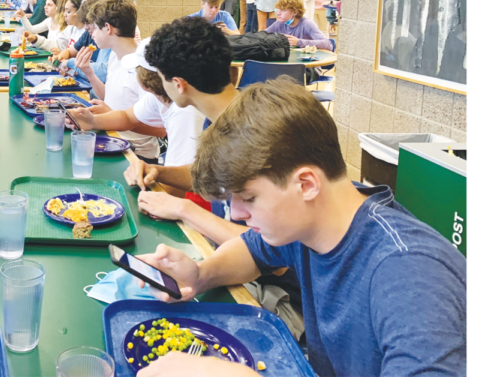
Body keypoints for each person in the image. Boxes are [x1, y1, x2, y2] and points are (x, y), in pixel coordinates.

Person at [131, 78, 466, 377]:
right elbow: (252, 251)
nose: (235, 214)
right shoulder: (314, 221)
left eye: (248, 197)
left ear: (306, 184)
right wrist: (201, 275)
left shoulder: (409, 274)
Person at [131, 17, 305, 334]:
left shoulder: (255, 136)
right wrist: (161, 172)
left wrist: (184, 208)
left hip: (276, 298)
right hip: (231, 268)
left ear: (178, 84)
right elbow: (210, 178)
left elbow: (273, 252)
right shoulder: (225, 116)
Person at [70, 39, 204, 169]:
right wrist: (92, 121)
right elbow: (128, 117)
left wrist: (153, 176)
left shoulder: (185, 113)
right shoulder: (156, 97)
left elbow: (185, 179)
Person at [74, 0, 160, 161]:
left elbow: (160, 129)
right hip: (111, 138)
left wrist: (111, 115)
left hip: (136, 154)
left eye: (95, 29)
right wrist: (89, 73)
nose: (91, 34)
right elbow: (110, 97)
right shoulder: (114, 56)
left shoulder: (144, 68)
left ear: (108, 28)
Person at [265, 0, 333, 51]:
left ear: (295, 12)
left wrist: (298, 42)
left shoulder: (307, 24)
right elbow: (261, 36)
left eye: (283, 10)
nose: (279, 13)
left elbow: (328, 44)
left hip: (308, 65)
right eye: (278, 10)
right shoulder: (279, 23)